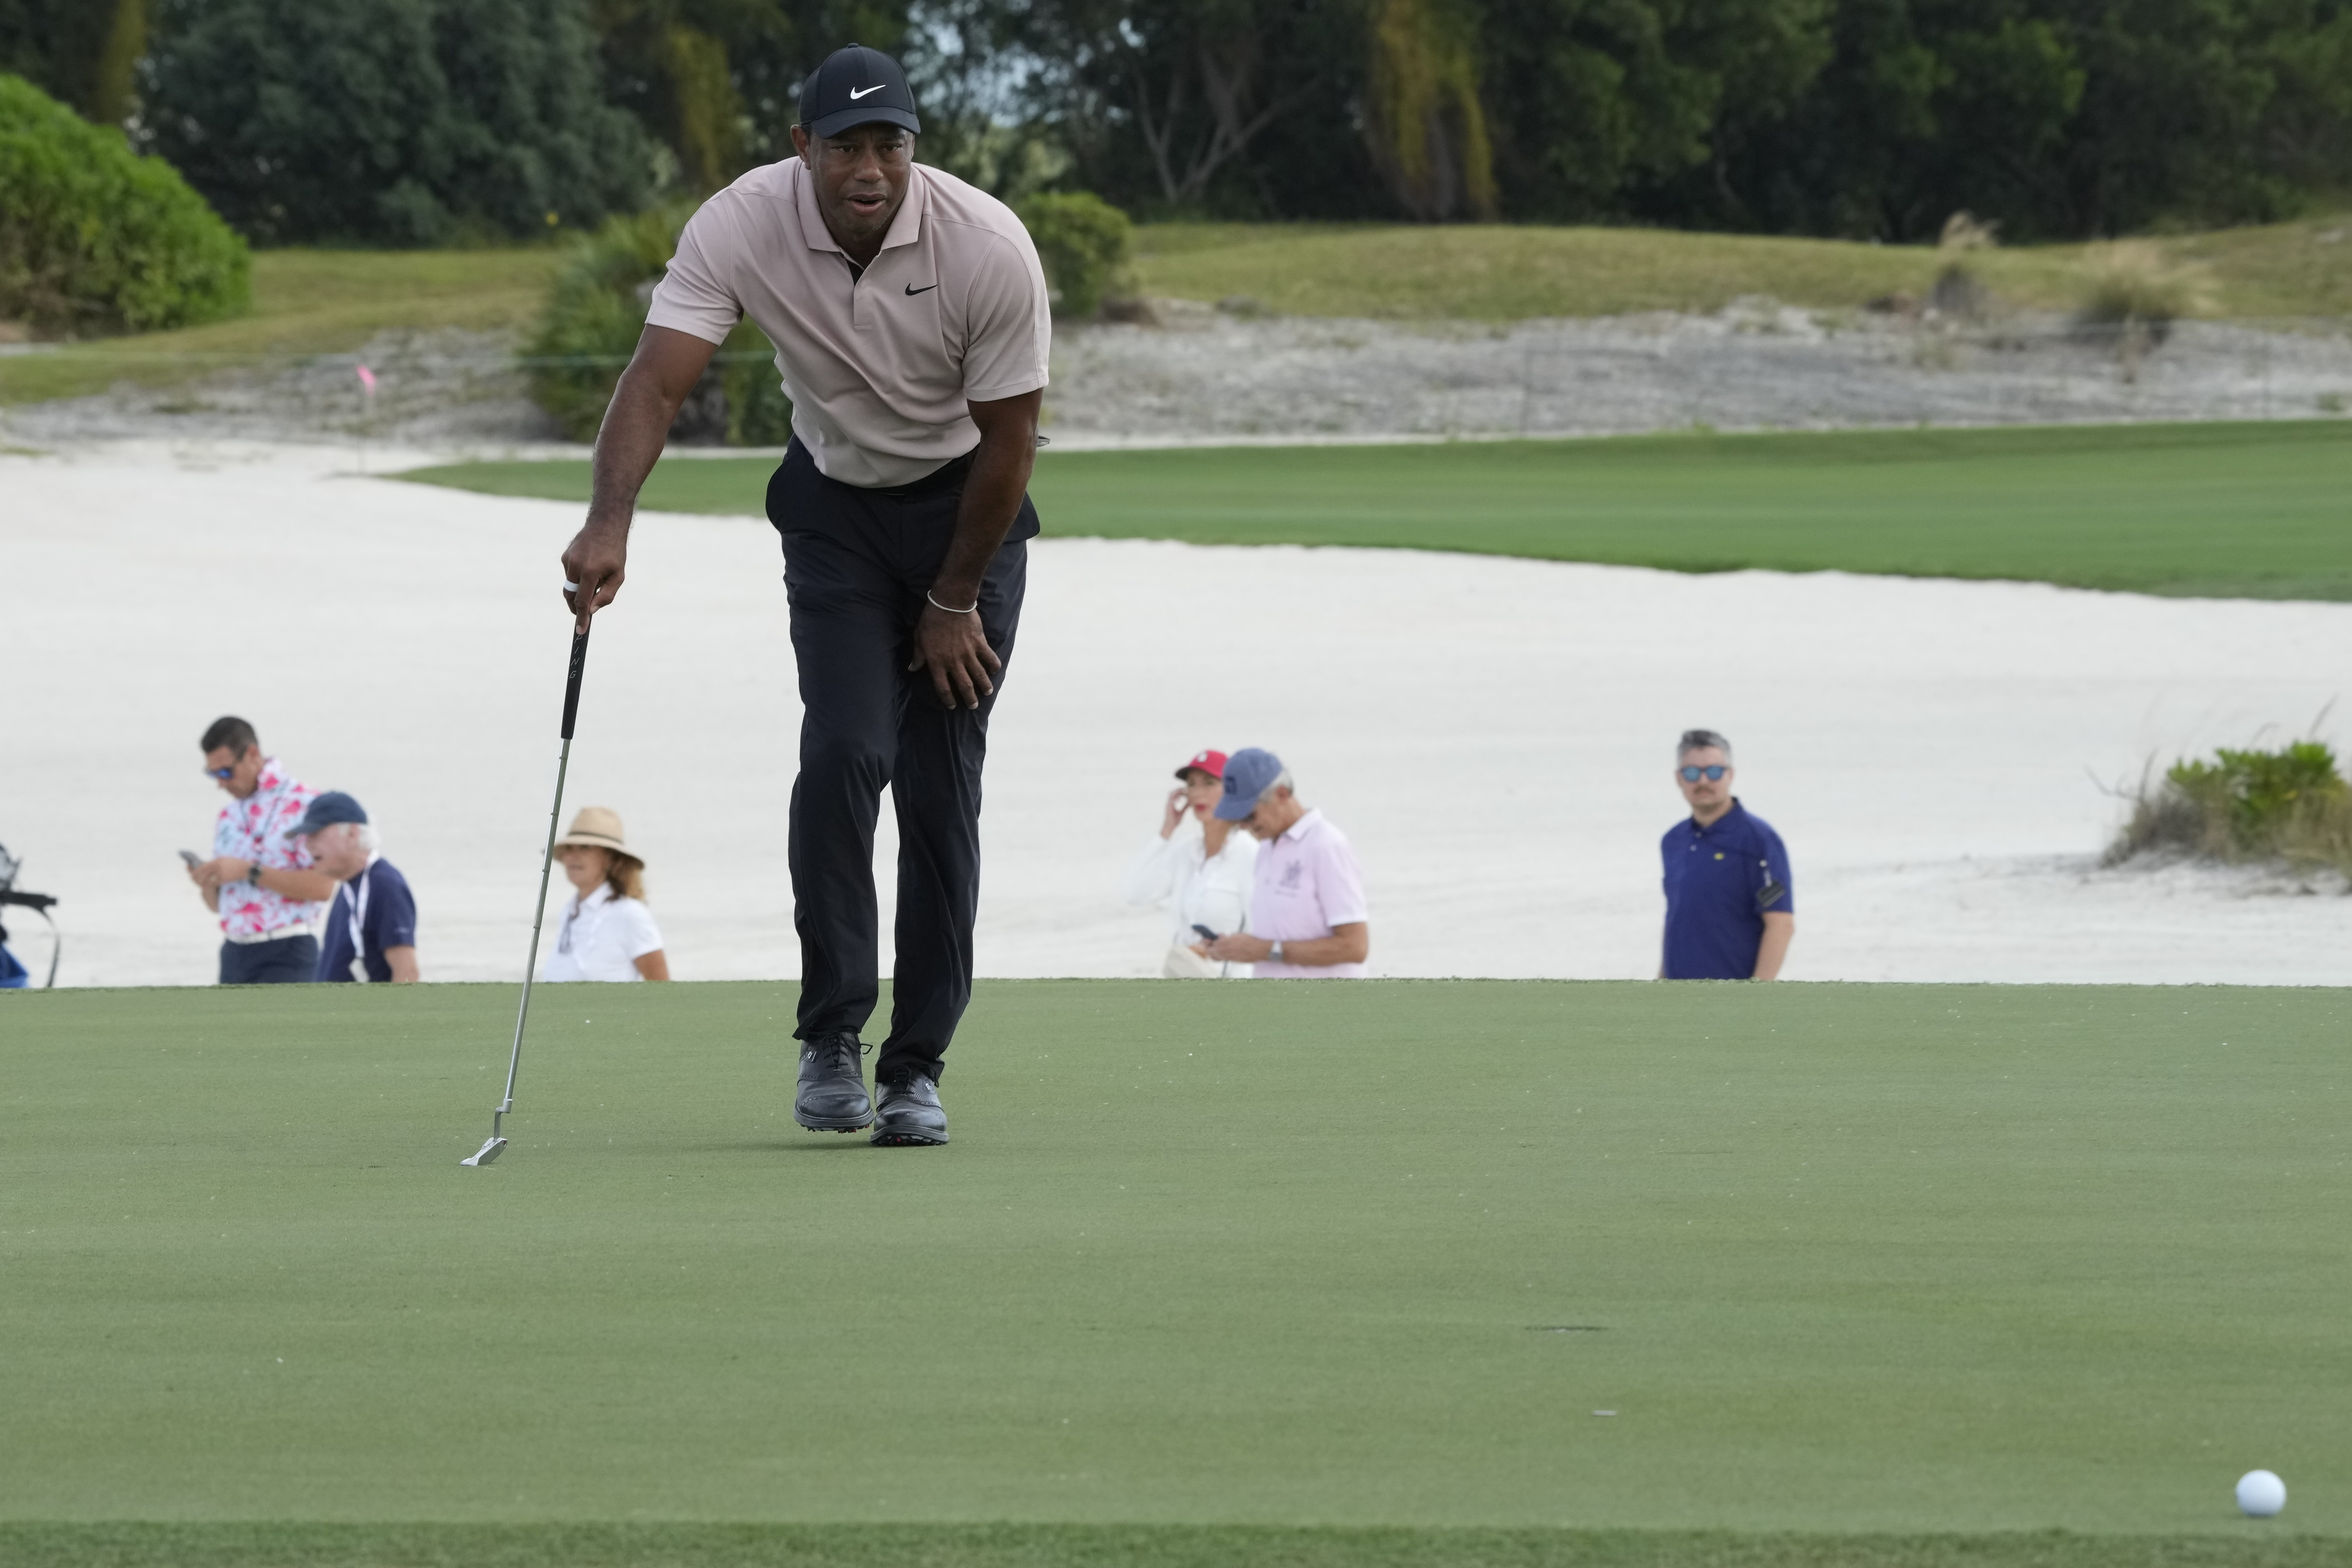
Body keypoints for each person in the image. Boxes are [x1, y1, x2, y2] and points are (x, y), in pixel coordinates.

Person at [558, 43, 1048, 1146]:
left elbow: (1011, 442)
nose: (870, 168)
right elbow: (658, 378)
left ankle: (914, 1068)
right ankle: (831, 1034)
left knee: (935, 790)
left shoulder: (987, 247)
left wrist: (956, 598)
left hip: (967, 516)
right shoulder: (740, 222)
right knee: (844, 755)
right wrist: (609, 520)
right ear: (803, 150)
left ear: (914, 150)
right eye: (846, 147)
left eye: (890, 146)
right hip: (833, 514)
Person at [1198, 748, 1370, 978]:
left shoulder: (1326, 846)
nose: (1244, 827)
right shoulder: (1266, 850)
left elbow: (1355, 947)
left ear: (1281, 794)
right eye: (1237, 819)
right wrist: (1234, 948)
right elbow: (1280, 934)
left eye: (1249, 816)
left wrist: (1265, 950)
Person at [188, 716, 333, 985]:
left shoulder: (305, 803)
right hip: (234, 953)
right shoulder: (228, 816)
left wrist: (248, 871)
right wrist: (206, 881)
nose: (221, 783)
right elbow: (217, 906)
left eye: (225, 772)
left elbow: (323, 888)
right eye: (213, 774)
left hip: (288, 950)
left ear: (252, 754)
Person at [1660, 729, 1795, 981]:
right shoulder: (1673, 841)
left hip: (1732, 998)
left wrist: (1755, 995)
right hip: (1676, 998)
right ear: (1679, 779)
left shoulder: (1759, 840)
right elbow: (1675, 919)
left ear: (1730, 775)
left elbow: (1781, 924)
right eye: (1691, 773)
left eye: (1713, 772)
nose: (1703, 782)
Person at [1122, 748, 1258, 978]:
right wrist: (1166, 831)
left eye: (1209, 783)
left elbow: (1263, 934)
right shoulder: (1185, 852)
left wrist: (1215, 950)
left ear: (1232, 791)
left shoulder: (1249, 854)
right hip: (1185, 986)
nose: (1197, 793)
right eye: (1192, 784)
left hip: (1234, 994)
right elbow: (1134, 893)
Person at [285, 792, 419, 984]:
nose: (307, 845)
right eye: (306, 837)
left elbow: (407, 973)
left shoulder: (385, 885)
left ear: (352, 834)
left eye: (315, 834)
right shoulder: (349, 887)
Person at [542, 807, 670, 983]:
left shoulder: (630, 914)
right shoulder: (569, 912)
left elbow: (662, 988)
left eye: (584, 848)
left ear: (610, 858)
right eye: (569, 848)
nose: (572, 856)